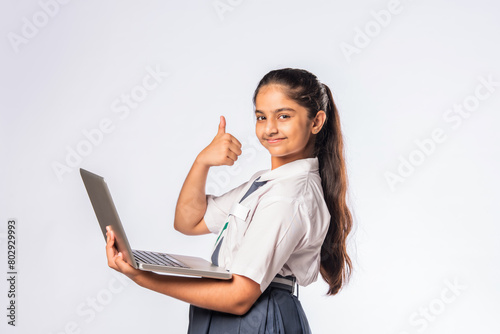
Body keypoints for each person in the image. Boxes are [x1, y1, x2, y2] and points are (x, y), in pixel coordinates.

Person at [105, 68, 354, 333]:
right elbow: (189, 221)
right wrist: (202, 162)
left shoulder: (290, 197)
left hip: (257, 317)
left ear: (316, 122)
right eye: (261, 117)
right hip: (226, 314)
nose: (269, 128)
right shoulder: (266, 184)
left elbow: (238, 297)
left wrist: (145, 277)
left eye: (283, 116)